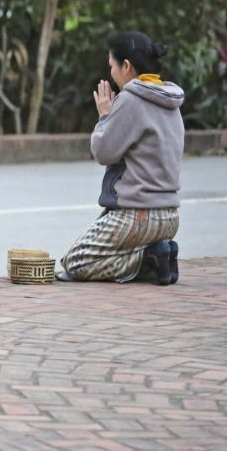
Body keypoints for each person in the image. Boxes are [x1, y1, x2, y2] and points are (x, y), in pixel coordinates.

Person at [58, 32, 184, 285]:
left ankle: (148, 258)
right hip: (169, 218)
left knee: (75, 262)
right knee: (95, 253)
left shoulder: (132, 99)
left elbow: (104, 152)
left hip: (138, 216)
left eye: (112, 66)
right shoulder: (170, 100)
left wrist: (105, 115)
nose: (112, 74)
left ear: (126, 66)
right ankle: (159, 255)